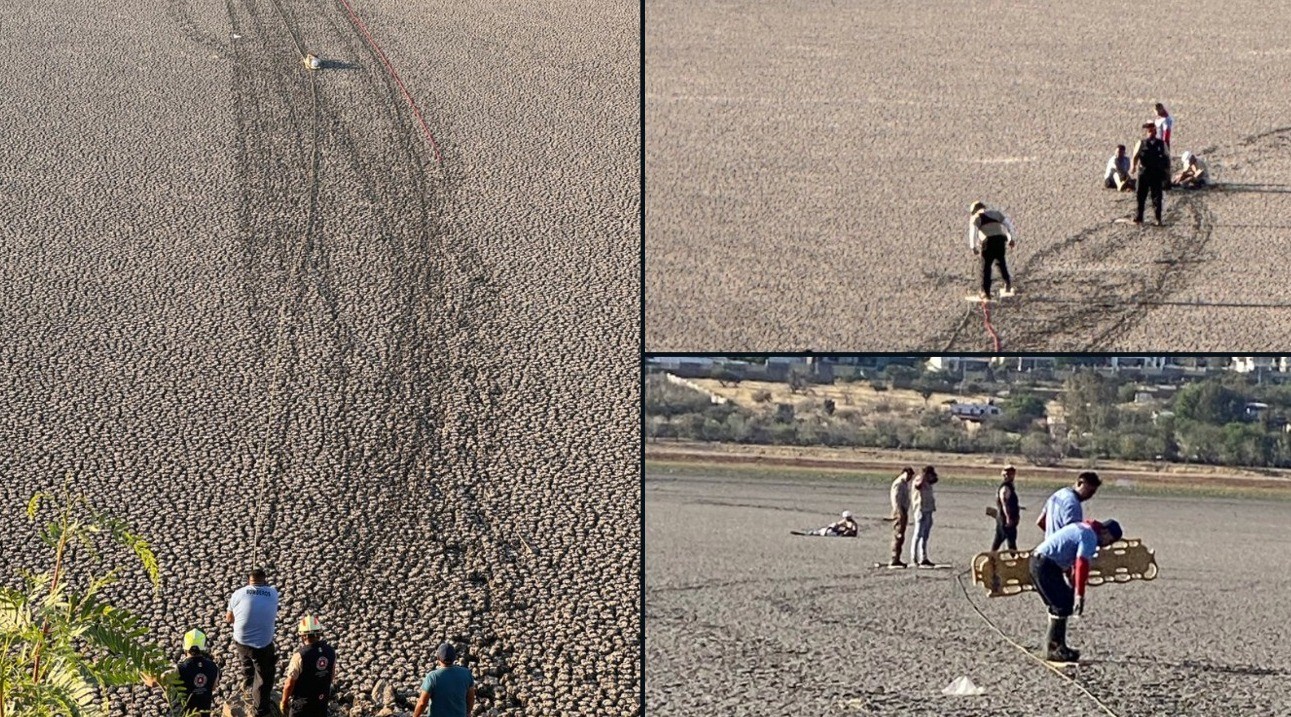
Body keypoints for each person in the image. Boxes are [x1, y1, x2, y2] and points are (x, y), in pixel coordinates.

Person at [1030, 519, 1124, 662]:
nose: (1106, 545)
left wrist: (1074, 588)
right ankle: (1053, 648)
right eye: (1109, 541)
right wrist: (1079, 595)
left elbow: (1071, 564)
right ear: (1105, 532)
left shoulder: (1083, 528)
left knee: (1062, 602)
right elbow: (1081, 564)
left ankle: (1055, 646)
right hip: (1045, 565)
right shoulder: (1090, 536)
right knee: (1062, 605)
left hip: (1038, 562)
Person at [226, 568, 280, 717]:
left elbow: (229, 619)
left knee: (247, 661)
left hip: (241, 641)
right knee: (264, 676)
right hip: (262, 645)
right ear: (265, 580)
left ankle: (248, 682)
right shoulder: (273, 594)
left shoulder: (238, 593)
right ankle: (260, 709)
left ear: (248, 581)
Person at [143, 628, 221, 717]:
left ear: (184, 646)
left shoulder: (178, 669)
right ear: (204, 646)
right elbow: (213, 687)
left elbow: (153, 682)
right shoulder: (213, 666)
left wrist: (140, 671)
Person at [280, 615, 338, 717]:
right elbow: (332, 675)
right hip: (322, 701)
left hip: (302, 704)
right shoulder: (331, 651)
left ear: (303, 636)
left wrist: (284, 702)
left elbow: (289, 684)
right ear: (319, 634)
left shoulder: (299, 656)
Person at [967, 202, 1017, 300]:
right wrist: (1011, 239)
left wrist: (973, 247)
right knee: (1001, 263)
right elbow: (1009, 225)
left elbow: (973, 232)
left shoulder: (976, 217)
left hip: (988, 242)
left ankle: (985, 293)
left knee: (986, 268)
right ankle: (1008, 286)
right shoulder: (996, 214)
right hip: (1000, 240)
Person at [411, 643, 476, 717]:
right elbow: (471, 698)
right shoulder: (466, 673)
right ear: (454, 657)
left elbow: (422, 703)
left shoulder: (433, 677)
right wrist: (467, 713)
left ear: (438, 658)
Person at [1036, 471, 1101, 538]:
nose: (1090, 495)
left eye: (1093, 493)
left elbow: (1040, 521)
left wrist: (1053, 539)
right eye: (1089, 491)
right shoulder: (1073, 504)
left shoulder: (1057, 495)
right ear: (1080, 483)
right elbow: (1073, 534)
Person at [1130, 123, 1170, 226]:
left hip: (1156, 173)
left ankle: (1158, 218)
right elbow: (1135, 156)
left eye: (1153, 131)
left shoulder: (1162, 144)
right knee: (1140, 195)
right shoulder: (1141, 143)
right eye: (1150, 131)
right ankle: (1139, 217)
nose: (1152, 133)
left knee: (1157, 196)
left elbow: (1167, 157)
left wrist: (1167, 172)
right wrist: (1133, 167)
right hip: (1144, 173)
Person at [910, 465, 938, 567]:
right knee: (918, 534)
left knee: (925, 536)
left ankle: (923, 557)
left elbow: (935, 480)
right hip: (920, 510)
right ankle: (914, 558)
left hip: (928, 510)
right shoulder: (919, 480)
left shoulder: (928, 483)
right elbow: (918, 485)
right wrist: (923, 476)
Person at [888, 467, 914, 567]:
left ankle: (897, 558)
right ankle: (894, 558)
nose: (909, 478)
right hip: (899, 512)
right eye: (909, 476)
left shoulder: (904, 484)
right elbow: (895, 499)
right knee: (897, 535)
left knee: (901, 536)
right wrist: (898, 513)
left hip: (903, 511)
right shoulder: (898, 483)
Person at [991, 465, 1020, 551]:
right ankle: (1016, 560)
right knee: (1011, 543)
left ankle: (991, 558)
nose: (1011, 476)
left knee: (998, 541)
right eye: (1009, 474)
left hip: (1005, 519)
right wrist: (1008, 518)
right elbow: (1005, 504)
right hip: (1006, 520)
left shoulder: (1009, 487)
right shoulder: (1005, 488)